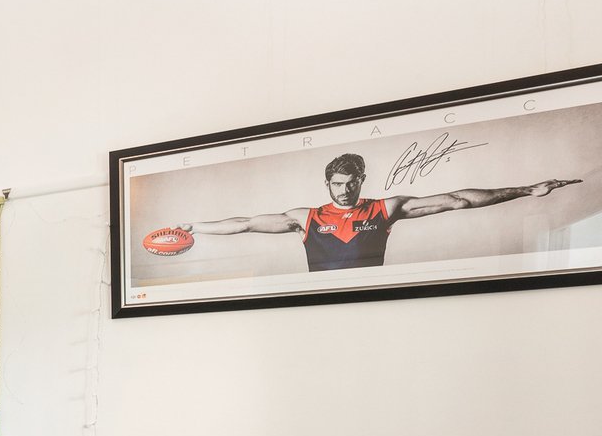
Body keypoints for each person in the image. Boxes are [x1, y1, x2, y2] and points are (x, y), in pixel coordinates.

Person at [172, 152, 580, 273]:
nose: (344, 190)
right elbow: (244, 224)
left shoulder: (386, 208)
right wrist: (195, 227)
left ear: (361, 181)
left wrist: (528, 190)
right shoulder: (305, 217)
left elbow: (458, 199)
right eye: (337, 184)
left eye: (351, 183)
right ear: (327, 184)